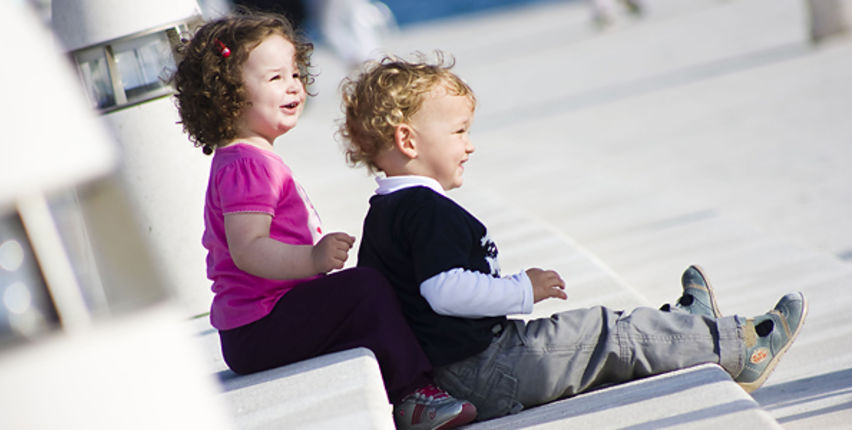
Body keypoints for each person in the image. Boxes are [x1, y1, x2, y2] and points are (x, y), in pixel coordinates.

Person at [338, 53, 808, 422]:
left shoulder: (384, 213)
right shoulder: (424, 209)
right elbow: (445, 291)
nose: (470, 144)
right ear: (408, 141)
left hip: (457, 372)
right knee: (607, 334)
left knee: (599, 336)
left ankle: (684, 327)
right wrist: (523, 288)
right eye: (459, 131)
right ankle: (741, 345)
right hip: (484, 369)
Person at [171, 15, 477, 429]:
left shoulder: (247, 158)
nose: (293, 86)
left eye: (295, 73)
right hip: (258, 327)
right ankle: (414, 397)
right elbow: (248, 249)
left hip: (261, 324)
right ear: (228, 94)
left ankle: (413, 379)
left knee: (367, 291)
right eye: (276, 77)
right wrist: (313, 259)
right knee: (365, 288)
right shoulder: (248, 164)